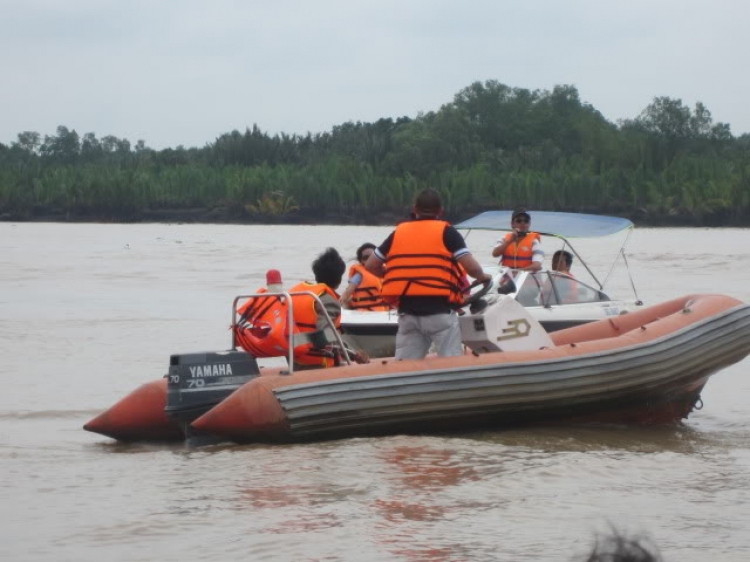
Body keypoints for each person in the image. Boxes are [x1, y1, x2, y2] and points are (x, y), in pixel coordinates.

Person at [365, 189, 491, 360]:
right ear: (440, 210)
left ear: (415, 209)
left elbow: (371, 265)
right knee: (451, 364)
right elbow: (473, 269)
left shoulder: (398, 233)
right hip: (439, 313)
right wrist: (483, 277)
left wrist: (393, 276)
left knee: (405, 368)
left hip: (408, 314)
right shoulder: (448, 232)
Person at [236, 248, 368, 368]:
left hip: (294, 361)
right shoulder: (329, 301)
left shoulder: (295, 292)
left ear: (316, 275)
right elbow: (326, 337)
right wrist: (353, 354)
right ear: (339, 280)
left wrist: (296, 342)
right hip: (318, 364)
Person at [340, 243, 390, 311]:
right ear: (361, 261)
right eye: (365, 258)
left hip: (383, 312)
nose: (369, 260)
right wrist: (338, 305)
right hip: (363, 313)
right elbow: (346, 294)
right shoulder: (359, 276)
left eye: (372, 257)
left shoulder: (386, 273)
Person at [491, 207, 544, 272]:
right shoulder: (504, 239)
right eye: (519, 221)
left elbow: (537, 265)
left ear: (529, 224)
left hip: (526, 279)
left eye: (526, 221)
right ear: (512, 224)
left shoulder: (534, 242)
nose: (523, 223)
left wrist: (516, 272)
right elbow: (495, 254)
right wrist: (509, 241)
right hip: (507, 279)